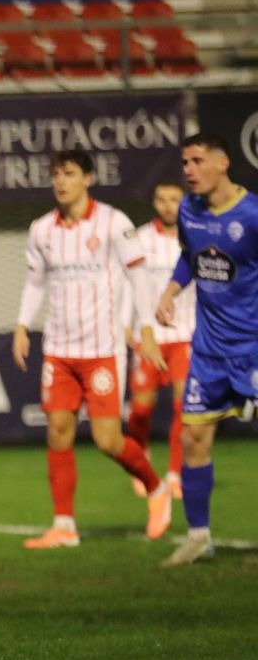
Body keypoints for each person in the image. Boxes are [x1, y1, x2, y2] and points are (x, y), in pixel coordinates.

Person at [12, 149, 173, 550]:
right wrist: (21, 326)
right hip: (59, 350)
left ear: (87, 178)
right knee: (58, 433)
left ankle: (156, 488)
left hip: (101, 349)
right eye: (55, 174)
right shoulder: (41, 229)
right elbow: (35, 283)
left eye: (68, 173)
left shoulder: (113, 222)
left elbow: (138, 277)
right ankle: (64, 526)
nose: (60, 181)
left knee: (107, 440)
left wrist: (146, 328)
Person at [152, 133, 258, 567]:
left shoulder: (252, 215)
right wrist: (172, 290)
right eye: (185, 161)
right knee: (194, 437)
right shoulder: (190, 211)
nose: (189, 170)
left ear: (222, 163)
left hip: (253, 348)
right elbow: (190, 257)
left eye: (197, 161)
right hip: (209, 351)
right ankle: (199, 537)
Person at [125, 180, 193, 499]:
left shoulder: (195, 237)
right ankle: (142, 465)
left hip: (185, 335)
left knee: (184, 407)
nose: (168, 206)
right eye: (162, 199)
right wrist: (125, 324)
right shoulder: (139, 238)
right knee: (140, 411)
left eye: (174, 200)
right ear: (154, 202)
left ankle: (176, 474)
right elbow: (127, 284)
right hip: (149, 335)